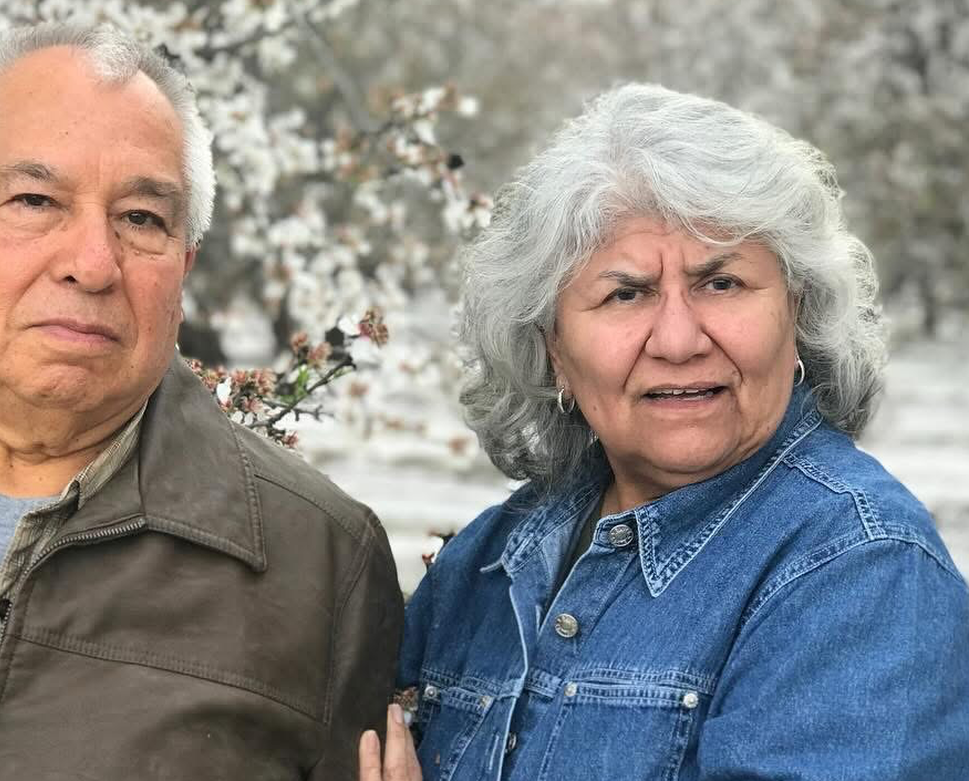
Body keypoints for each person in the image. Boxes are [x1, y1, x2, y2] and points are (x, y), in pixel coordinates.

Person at [0, 23, 402, 780]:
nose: (93, 264)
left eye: (141, 219)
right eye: (36, 200)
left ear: (184, 268)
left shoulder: (321, 564)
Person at [359, 83, 969, 780]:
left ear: (797, 313)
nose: (679, 341)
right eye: (626, 293)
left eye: (722, 284)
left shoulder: (862, 571)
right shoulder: (488, 562)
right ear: (554, 349)